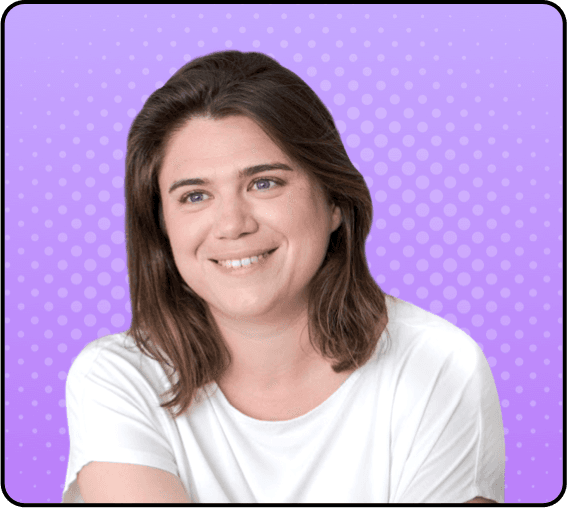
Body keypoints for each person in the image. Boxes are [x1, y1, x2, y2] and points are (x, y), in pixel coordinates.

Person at [62, 50, 504, 503]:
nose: (232, 225)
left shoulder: (439, 366)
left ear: (334, 201)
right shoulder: (118, 378)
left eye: (264, 183)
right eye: (195, 196)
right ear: (161, 227)